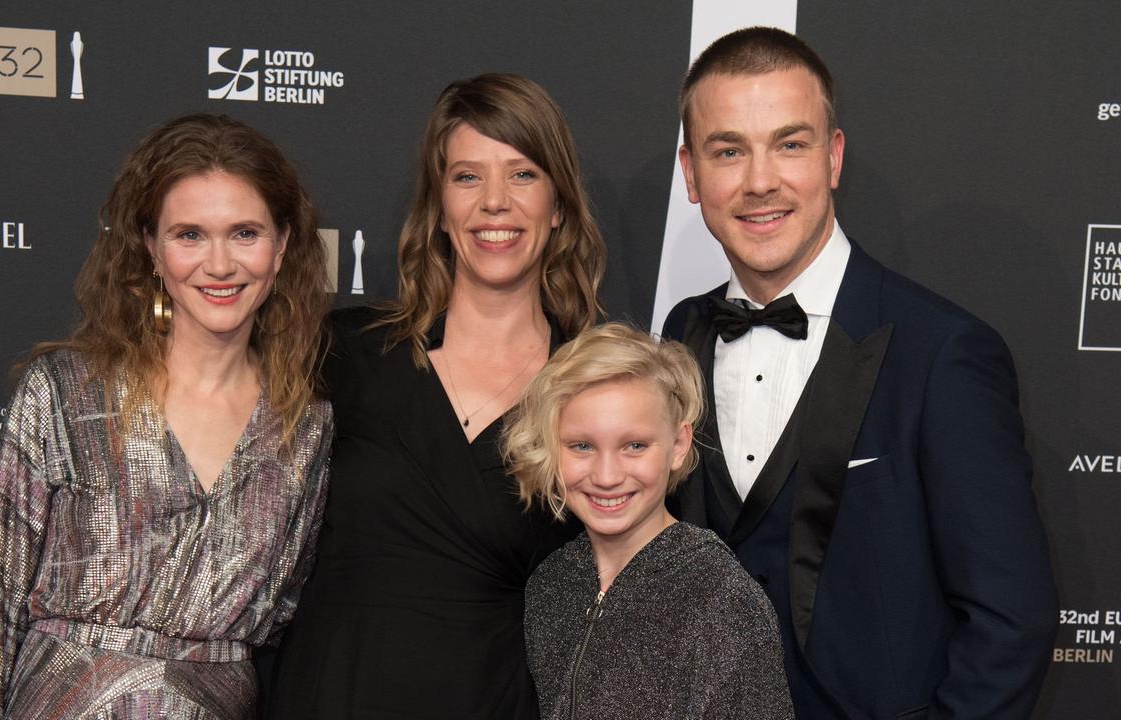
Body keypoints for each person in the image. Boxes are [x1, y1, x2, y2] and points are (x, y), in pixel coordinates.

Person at [662, 27, 1058, 719]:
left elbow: (1010, 621)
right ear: (692, 174)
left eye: (790, 144)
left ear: (834, 156)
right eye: (729, 151)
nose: (760, 181)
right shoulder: (680, 334)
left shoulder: (942, 352)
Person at [0, 114, 333, 719]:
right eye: (190, 235)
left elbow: (282, 615)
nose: (220, 265)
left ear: (281, 245)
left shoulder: (303, 425)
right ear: (151, 247)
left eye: (244, 233)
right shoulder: (69, 393)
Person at [266, 73, 606, 719]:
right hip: (330, 693)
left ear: (559, 205)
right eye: (467, 177)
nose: (495, 202)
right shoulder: (342, 354)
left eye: (523, 175)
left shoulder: (595, 391)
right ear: (440, 207)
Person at [507, 322, 794, 720]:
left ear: (678, 445)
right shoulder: (550, 585)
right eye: (582, 446)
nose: (607, 476)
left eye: (635, 446)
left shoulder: (722, 601)